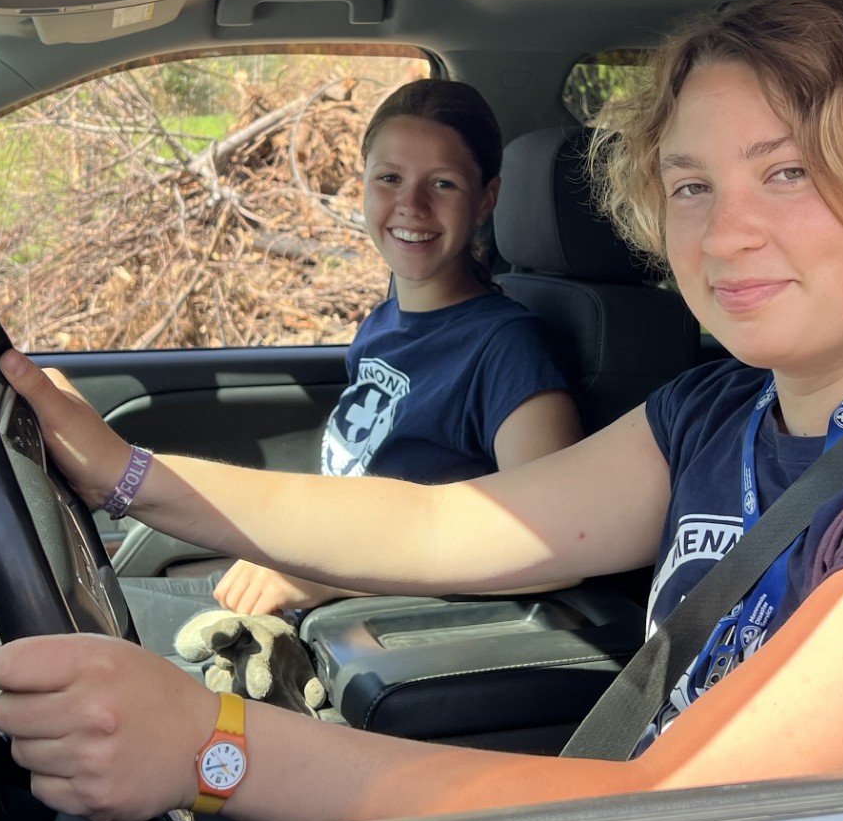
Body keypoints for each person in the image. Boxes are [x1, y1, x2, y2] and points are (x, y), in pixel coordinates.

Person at [0, 0, 843, 821]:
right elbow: (449, 527)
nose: (724, 230)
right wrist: (128, 473)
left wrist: (212, 750)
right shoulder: (721, 410)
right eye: (692, 184)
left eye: (788, 171)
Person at [123, 77, 583, 639]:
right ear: (362, 185)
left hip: (407, 630)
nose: (410, 205)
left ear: (486, 198)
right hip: (345, 602)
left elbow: (550, 542)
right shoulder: (384, 324)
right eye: (389, 178)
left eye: (442, 183)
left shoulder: (508, 348)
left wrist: (334, 575)